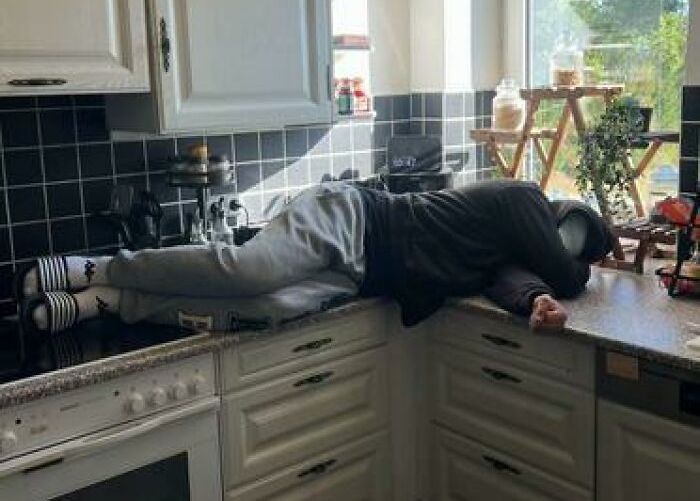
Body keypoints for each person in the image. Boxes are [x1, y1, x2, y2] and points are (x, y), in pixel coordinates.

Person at [18, 179, 613, 335]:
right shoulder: (524, 197)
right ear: (561, 213)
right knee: (247, 269)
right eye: (570, 231)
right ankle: (100, 266)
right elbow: (567, 275)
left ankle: (114, 301)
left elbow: (515, 279)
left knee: (264, 307)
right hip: (351, 217)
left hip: (361, 275)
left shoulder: (503, 248)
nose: (564, 244)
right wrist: (581, 267)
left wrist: (536, 302)